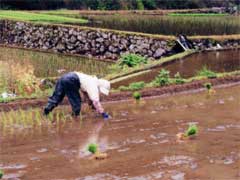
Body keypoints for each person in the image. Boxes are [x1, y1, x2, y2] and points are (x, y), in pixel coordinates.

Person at [43, 72, 110, 120]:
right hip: (71, 80)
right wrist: (103, 113)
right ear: (101, 87)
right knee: (76, 102)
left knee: (57, 97)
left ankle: (46, 112)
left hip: (65, 77)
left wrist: (91, 105)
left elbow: (86, 95)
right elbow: (95, 101)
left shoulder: (90, 79)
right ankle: (75, 117)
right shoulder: (93, 86)